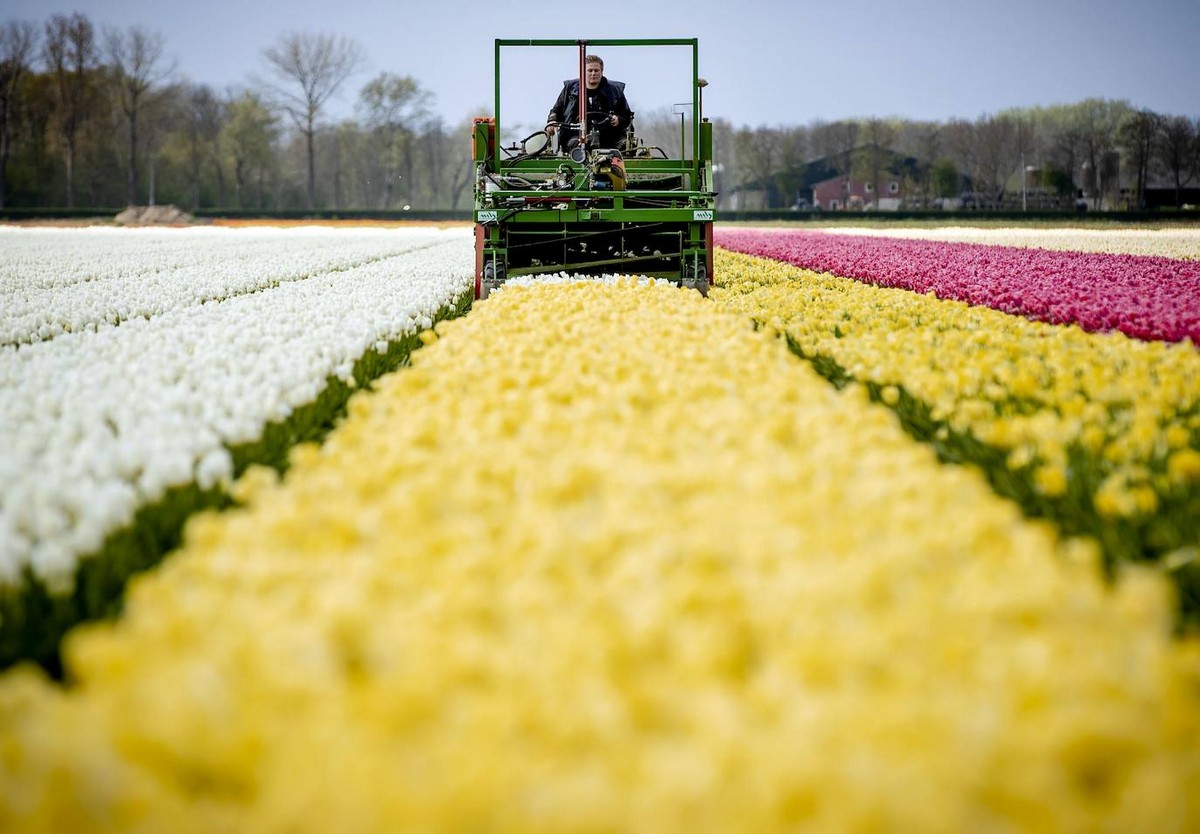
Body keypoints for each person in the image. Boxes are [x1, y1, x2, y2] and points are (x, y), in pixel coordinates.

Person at [545, 54, 634, 151]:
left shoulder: (615, 91)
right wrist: (552, 122)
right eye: (590, 70)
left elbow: (626, 115)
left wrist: (618, 119)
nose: (593, 73)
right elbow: (556, 110)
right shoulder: (570, 90)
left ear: (602, 72)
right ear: (583, 72)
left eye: (596, 70)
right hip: (576, 136)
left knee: (626, 146)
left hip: (610, 136)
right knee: (575, 146)